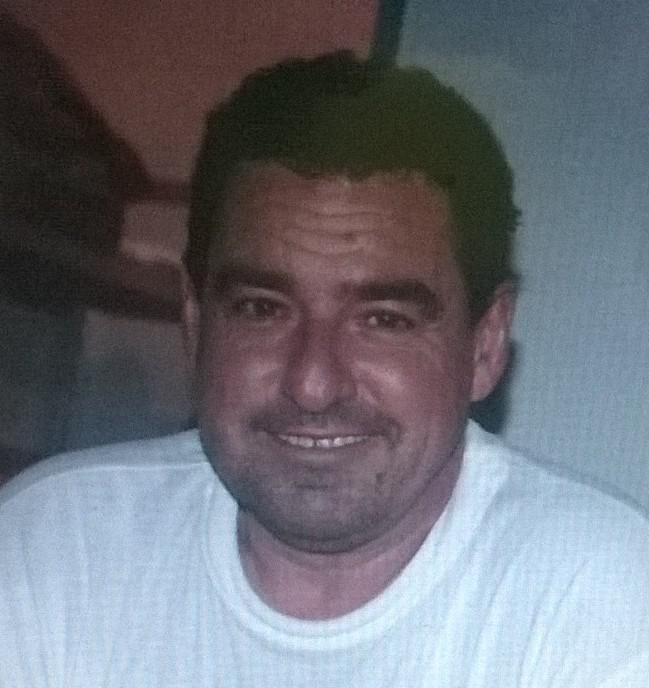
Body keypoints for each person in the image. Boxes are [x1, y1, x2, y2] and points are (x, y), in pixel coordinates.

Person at [1, 52, 648, 687]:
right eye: (262, 309)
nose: (312, 384)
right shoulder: (57, 548)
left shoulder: (600, 598)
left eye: (384, 320)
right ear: (195, 325)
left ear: (484, 344)